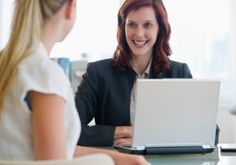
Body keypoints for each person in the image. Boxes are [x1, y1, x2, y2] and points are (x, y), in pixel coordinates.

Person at [0, 0, 149, 164]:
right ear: (70, 8)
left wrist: (118, 158)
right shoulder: (44, 73)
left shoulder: (8, 63)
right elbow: (54, 162)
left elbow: (55, 150)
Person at [75, 0, 219, 146]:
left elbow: (211, 133)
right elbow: (68, 129)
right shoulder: (98, 73)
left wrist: (150, 138)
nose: (139, 34)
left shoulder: (179, 72)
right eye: (132, 24)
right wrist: (124, 131)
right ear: (123, 28)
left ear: (159, 30)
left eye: (148, 25)